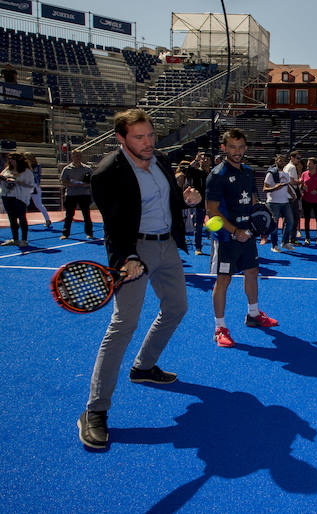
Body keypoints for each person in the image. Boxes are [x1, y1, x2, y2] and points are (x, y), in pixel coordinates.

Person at [77, 109, 202, 450]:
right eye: (139, 137)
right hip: (134, 251)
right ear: (121, 138)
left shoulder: (159, 160)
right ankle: (95, 410)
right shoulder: (107, 173)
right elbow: (113, 224)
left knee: (176, 308)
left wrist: (188, 201)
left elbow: (170, 200)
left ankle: (144, 366)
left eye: (149, 135)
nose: (148, 142)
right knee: (123, 325)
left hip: (167, 246)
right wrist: (127, 258)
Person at [206, 128, 279, 349]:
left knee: (252, 272)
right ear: (224, 148)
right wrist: (234, 231)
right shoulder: (216, 175)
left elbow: (254, 201)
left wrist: (259, 225)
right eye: (232, 147)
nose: (237, 151)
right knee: (224, 279)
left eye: (240, 147)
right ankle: (220, 328)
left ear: (245, 148)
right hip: (226, 238)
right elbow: (211, 211)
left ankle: (253, 315)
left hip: (247, 235)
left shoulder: (248, 172)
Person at [59, 149, 94, 240]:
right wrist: (70, 184)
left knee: (86, 215)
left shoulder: (87, 168)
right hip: (71, 194)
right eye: (76, 156)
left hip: (84, 194)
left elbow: (93, 180)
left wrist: (86, 184)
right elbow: (63, 181)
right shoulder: (67, 169)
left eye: (79, 156)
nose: (78, 157)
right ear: (72, 157)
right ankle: (65, 233)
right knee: (69, 215)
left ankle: (89, 233)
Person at [1, 152, 34, 247]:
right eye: (10, 160)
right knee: (12, 218)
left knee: (22, 218)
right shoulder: (7, 170)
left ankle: (24, 239)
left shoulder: (26, 171)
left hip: (19, 197)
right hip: (7, 195)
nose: (11, 162)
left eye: (13, 160)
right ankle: (15, 239)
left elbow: (31, 186)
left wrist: (17, 181)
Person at [263, 154, 295, 252]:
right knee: (274, 224)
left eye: (283, 161)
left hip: (285, 202)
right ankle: (274, 245)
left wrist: (292, 194)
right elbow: (265, 188)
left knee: (290, 221)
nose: (281, 162)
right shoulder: (271, 173)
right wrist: (275, 188)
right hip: (273, 203)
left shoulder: (285, 174)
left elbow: (287, 186)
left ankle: (285, 242)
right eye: (280, 161)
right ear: (276, 161)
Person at [185, 152, 211, 255]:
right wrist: (195, 160)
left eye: (206, 159)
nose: (204, 161)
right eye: (202, 159)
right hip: (200, 204)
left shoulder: (213, 173)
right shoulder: (197, 172)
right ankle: (198, 247)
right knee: (199, 226)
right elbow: (188, 170)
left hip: (212, 203)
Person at [300, 157, 317, 245]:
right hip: (306, 200)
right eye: (307, 163)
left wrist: (316, 191)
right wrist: (302, 187)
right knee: (306, 219)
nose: (307, 165)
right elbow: (300, 185)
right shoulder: (304, 174)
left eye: (310, 163)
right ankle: (307, 238)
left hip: (316, 201)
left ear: (315, 165)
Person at [22, 152, 52, 228]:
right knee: (23, 204)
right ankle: (23, 221)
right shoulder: (23, 166)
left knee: (38, 204)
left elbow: (36, 176)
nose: (27, 159)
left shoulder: (37, 166)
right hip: (25, 186)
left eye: (28, 157)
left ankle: (47, 220)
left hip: (34, 185)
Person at [283, 150, 303, 245]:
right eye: (297, 158)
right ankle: (292, 239)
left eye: (299, 158)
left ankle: (286, 239)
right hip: (291, 196)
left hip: (287, 195)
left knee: (287, 218)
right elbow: (290, 181)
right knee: (294, 218)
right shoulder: (291, 167)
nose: (299, 160)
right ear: (292, 157)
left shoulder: (287, 167)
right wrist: (300, 181)